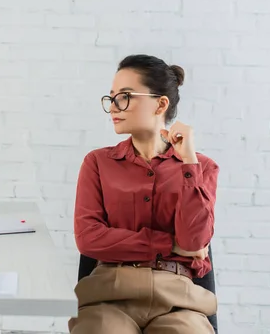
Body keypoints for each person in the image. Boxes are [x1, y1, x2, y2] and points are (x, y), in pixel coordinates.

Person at [69, 54, 219, 334]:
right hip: (109, 296)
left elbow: (195, 240)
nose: (114, 106)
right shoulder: (98, 163)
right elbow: (88, 237)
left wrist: (188, 162)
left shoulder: (202, 168)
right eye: (111, 98)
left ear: (160, 104)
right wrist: (170, 245)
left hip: (178, 301)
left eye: (125, 96)